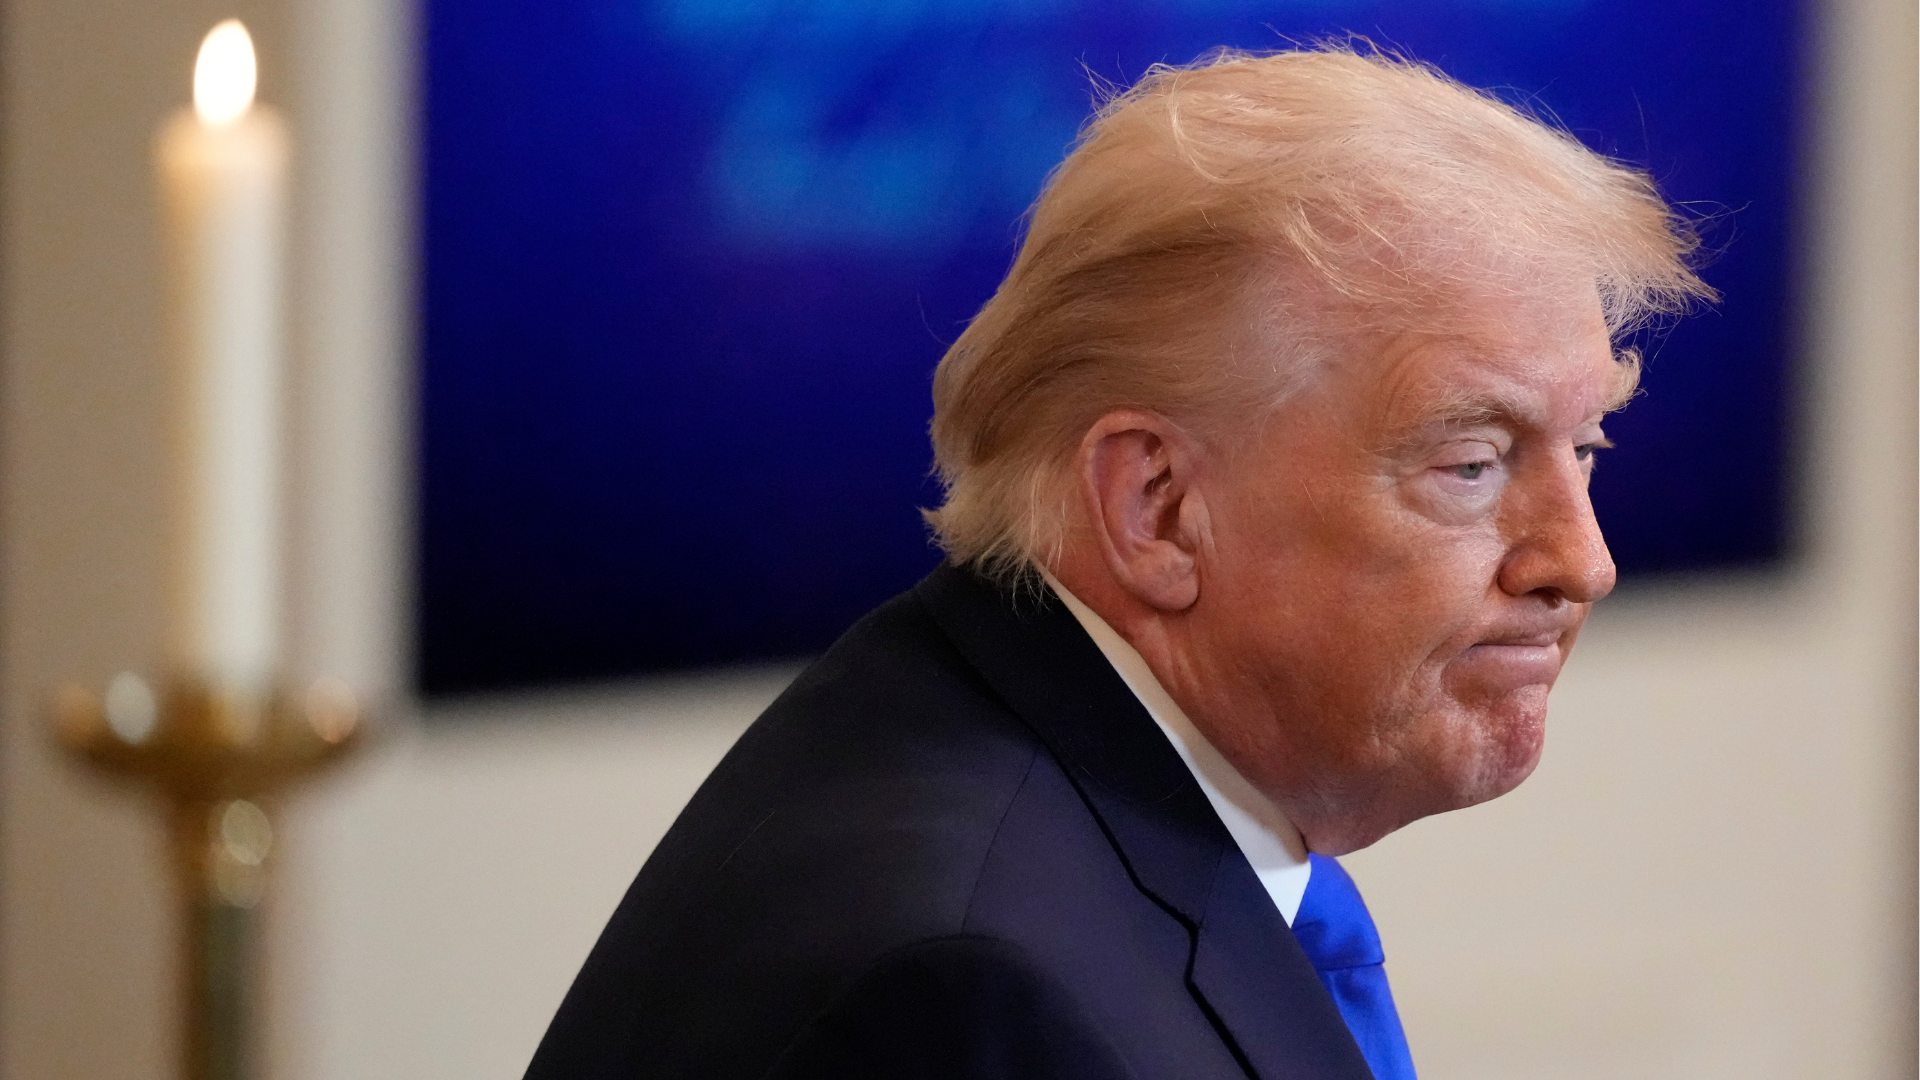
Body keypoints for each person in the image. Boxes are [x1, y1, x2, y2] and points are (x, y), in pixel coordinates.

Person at [524, 45, 1711, 1080]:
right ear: (1156, 508)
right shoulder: (971, 991)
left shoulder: (1015, 734)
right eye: (1471, 464)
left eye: (1587, 444)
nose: (1580, 563)